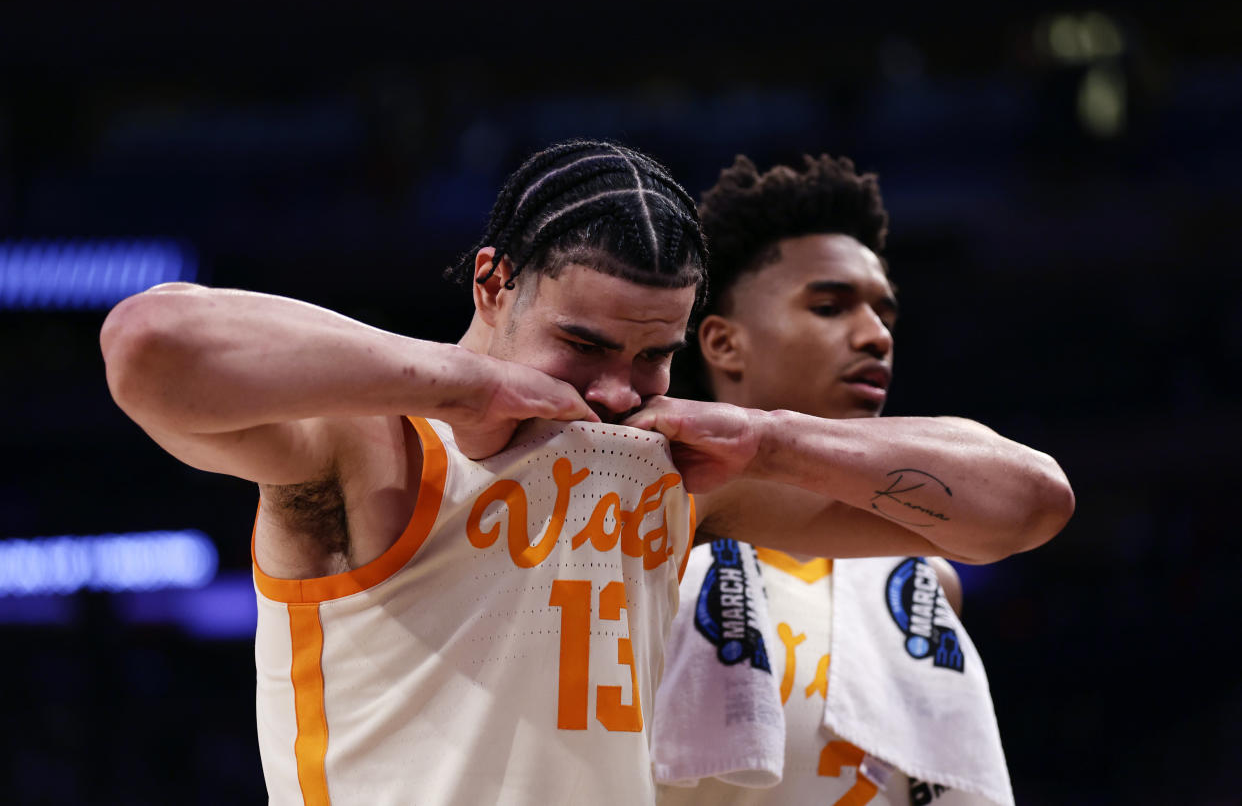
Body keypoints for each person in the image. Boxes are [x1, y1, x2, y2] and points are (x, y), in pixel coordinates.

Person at [100, 140, 1072, 805]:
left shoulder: (672, 472)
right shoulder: (372, 445)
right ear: (493, 282)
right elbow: (150, 345)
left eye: (652, 355)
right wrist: (459, 383)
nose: (614, 391)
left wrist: (775, 441)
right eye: (582, 344)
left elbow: (1024, 507)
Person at [650, 154, 1027, 805]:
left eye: (885, 314)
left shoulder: (918, 579)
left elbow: (1035, 500)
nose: (876, 335)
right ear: (722, 344)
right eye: (830, 306)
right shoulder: (650, 513)